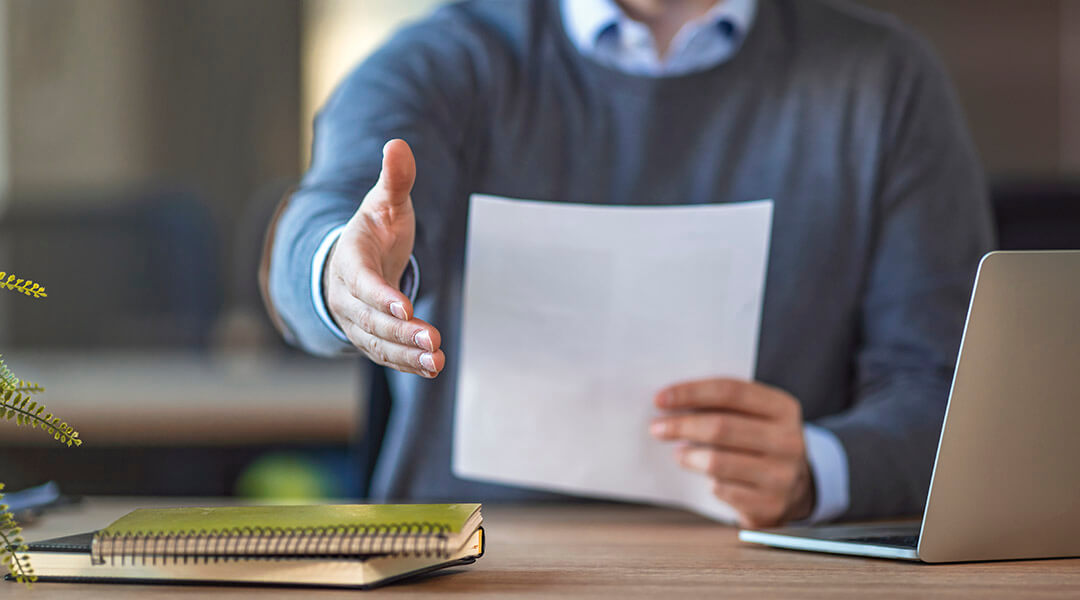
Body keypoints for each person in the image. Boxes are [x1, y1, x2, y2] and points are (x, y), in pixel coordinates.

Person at [264, 0, 994, 527]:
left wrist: (818, 469)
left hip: (772, 568)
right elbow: (324, 217)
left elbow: (949, 394)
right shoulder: (447, 59)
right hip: (473, 563)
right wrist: (340, 274)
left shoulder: (885, 80)